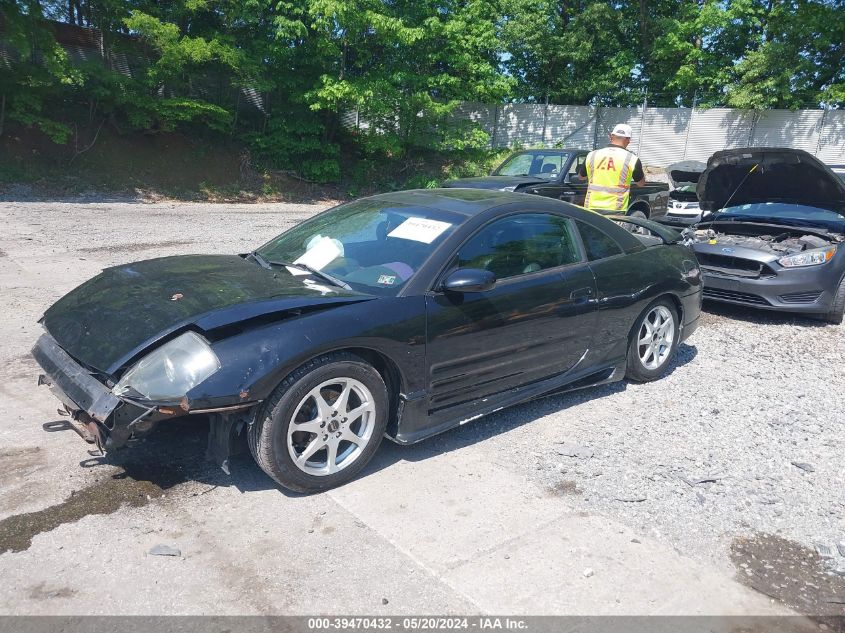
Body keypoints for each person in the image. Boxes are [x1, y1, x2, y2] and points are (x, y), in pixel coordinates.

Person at [583, 123, 646, 214]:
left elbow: (581, 177)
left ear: (611, 136)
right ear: (628, 140)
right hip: (616, 209)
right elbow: (641, 183)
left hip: (591, 207)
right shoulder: (632, 159)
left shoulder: (592, 155)